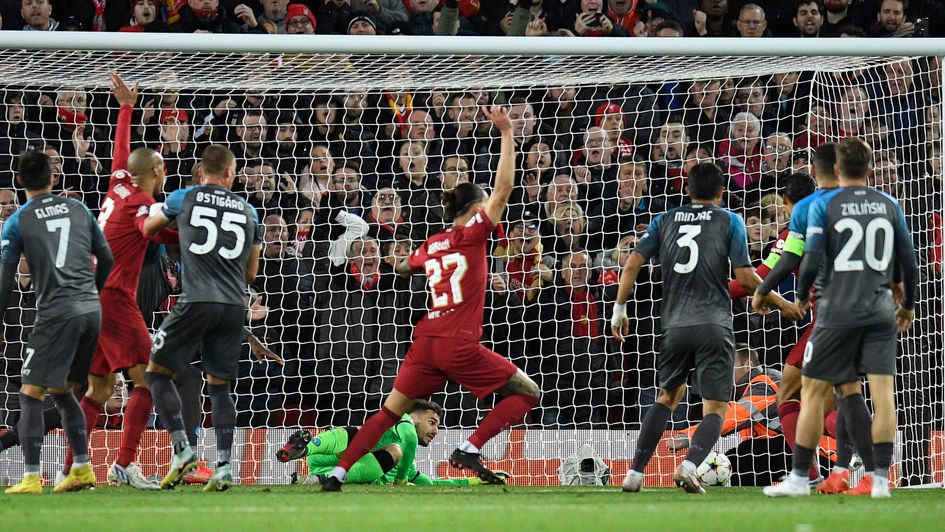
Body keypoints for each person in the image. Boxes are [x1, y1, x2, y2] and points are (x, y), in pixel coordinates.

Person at [321, 106, 540, 492]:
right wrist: (506, 132)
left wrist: (404, 261)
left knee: (390, 412)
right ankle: (470, 448)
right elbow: (504, 188)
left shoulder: (432, 243)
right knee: (528, 392)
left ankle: (338, 473)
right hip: (459, 342)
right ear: (476, 210)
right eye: (485, 204)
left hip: (425, 343)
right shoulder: (472, 235)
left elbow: (405, 266)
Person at [764, 138, 917, 499]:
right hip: (880, 310)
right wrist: (906, 302)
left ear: (835, 170)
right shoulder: (888, 203)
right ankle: (878, 480)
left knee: (813, 392)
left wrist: (798, 296)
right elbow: (907, 259)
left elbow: (809, 259)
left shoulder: (821, 206)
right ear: (870, 169)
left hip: (835, 312)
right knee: (875, 394)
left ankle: (801, 477)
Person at [612, 162, 762, 494]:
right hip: (714, 324)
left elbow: (633, 261)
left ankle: (635, 473)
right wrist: (779, 302)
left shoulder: (665, 219)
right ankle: (690, 466)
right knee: (716, 407)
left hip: (675, 325)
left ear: (687, 189)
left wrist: (619, 309)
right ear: (722, 192)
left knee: (666, 397)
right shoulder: (730, 220)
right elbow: (745, 278)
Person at [72, 73, 178, 490]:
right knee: (149, 379)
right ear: (158, 169)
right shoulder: (142, 204)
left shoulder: (118, 184)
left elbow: (120, 156)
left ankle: (74, 469)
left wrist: (126, 108)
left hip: (88, 294)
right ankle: (125, 464)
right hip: (113, 297)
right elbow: (157, 229)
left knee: (98, 387)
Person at [141, 144, 262, 492]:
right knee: (220, 387)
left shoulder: (183, 197)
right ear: (227, 172)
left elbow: (149, 229)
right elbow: (251, 274)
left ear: (203, 171)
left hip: (195, 301)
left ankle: (183, 450)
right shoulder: (248, 211)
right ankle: (224, 466)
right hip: (233, 306)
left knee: (155, 371)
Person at [0, 150, 114, 494]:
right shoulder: (79, 209)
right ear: (53, 178)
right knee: (65, 393)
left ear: (20, 182)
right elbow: (106, 258)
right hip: (90, 310)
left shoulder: (18, 220)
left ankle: (32, 477)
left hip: (55, 313)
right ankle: (81, 468)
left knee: (30, 394)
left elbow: (5, 281)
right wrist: (93, 294)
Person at [753, 143, 849, 486]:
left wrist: (764, 293)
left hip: (828, 319)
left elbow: (790, 259)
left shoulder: (804, 213)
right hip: (863, 310)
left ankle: (806, 475)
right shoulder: (850, 208)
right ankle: (871, 469)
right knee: (833, 403)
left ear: (785, 200)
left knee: (787, 398)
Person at [278, 399, 504, 486]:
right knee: (386, 446)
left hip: (329, 460)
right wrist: (400, 480)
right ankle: (309, 456)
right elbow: (409, 439)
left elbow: (432, 485)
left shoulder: (409, 463)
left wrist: (475, 482)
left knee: (367, 438)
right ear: (414, 416)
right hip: (337, 456)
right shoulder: (403, 422)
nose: (436, 431)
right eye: (432, 422)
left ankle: (308, 455)